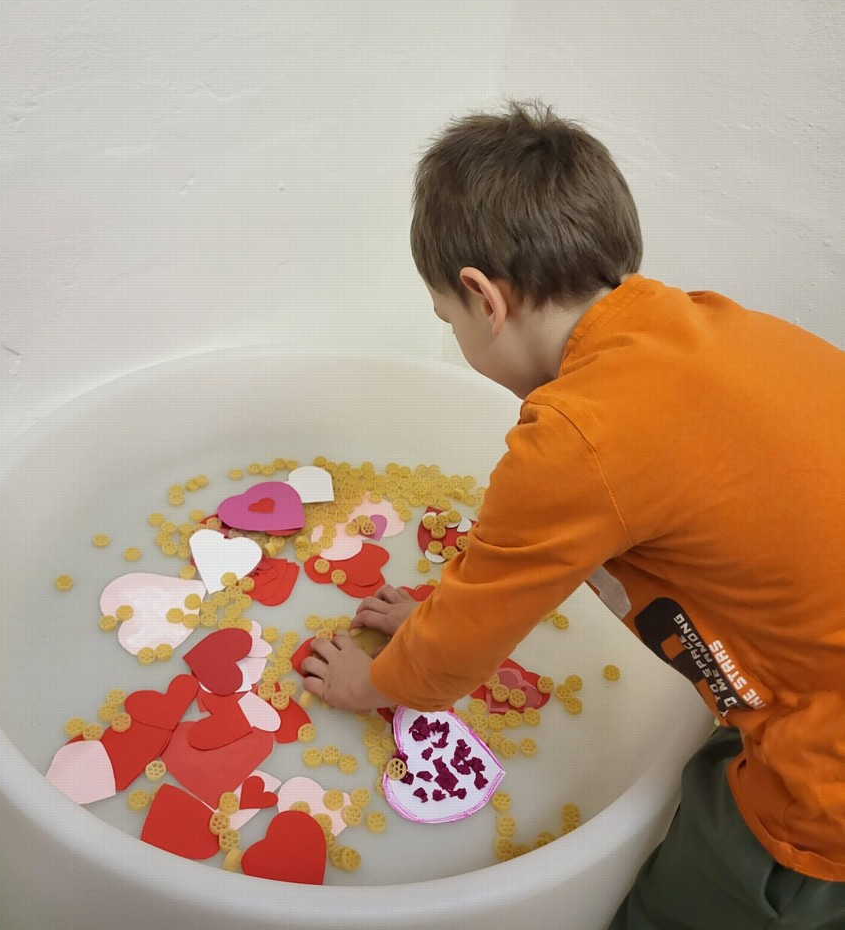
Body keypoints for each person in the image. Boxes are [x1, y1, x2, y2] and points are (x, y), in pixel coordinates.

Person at [301, 97, 845, 928]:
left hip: (824, 787)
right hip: (816, 656)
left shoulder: (575, 437)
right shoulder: (703, 326)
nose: (455, 333)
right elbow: (556, 554)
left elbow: (452, 659)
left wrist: (371, 682)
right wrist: (442, 617)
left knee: (683, 902)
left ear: (484, 299)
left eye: (448, 320)